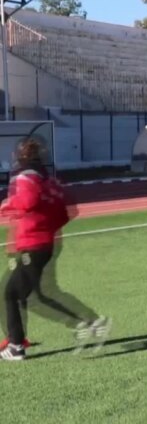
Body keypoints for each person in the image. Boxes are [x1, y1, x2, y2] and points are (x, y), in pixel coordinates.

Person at [0, 139, 111, 360]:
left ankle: (17, 345)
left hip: (33, 246)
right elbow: (66, 211)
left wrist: (7, 205)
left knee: (18, 294)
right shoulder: (46, 180)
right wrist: (46, 228)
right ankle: (16, 340)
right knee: (23, 293)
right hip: (42, 244)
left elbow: (27, 201)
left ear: (21, 156)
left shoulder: (25, 177)